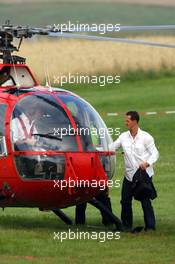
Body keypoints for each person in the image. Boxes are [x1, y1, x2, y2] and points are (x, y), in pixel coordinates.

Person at [109, 111, 159, 231]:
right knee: (125, 201)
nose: (125, 123)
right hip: (129, 176)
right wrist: (96, 149)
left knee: (145, 201)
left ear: (135, 122)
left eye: (128, 121)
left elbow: (155, 153)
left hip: (143, 175)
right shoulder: (123, 136)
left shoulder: (146, 137)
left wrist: (147, 163)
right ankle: (126, 225)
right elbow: (111, 147)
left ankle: (150, 227)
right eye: (125, 120)